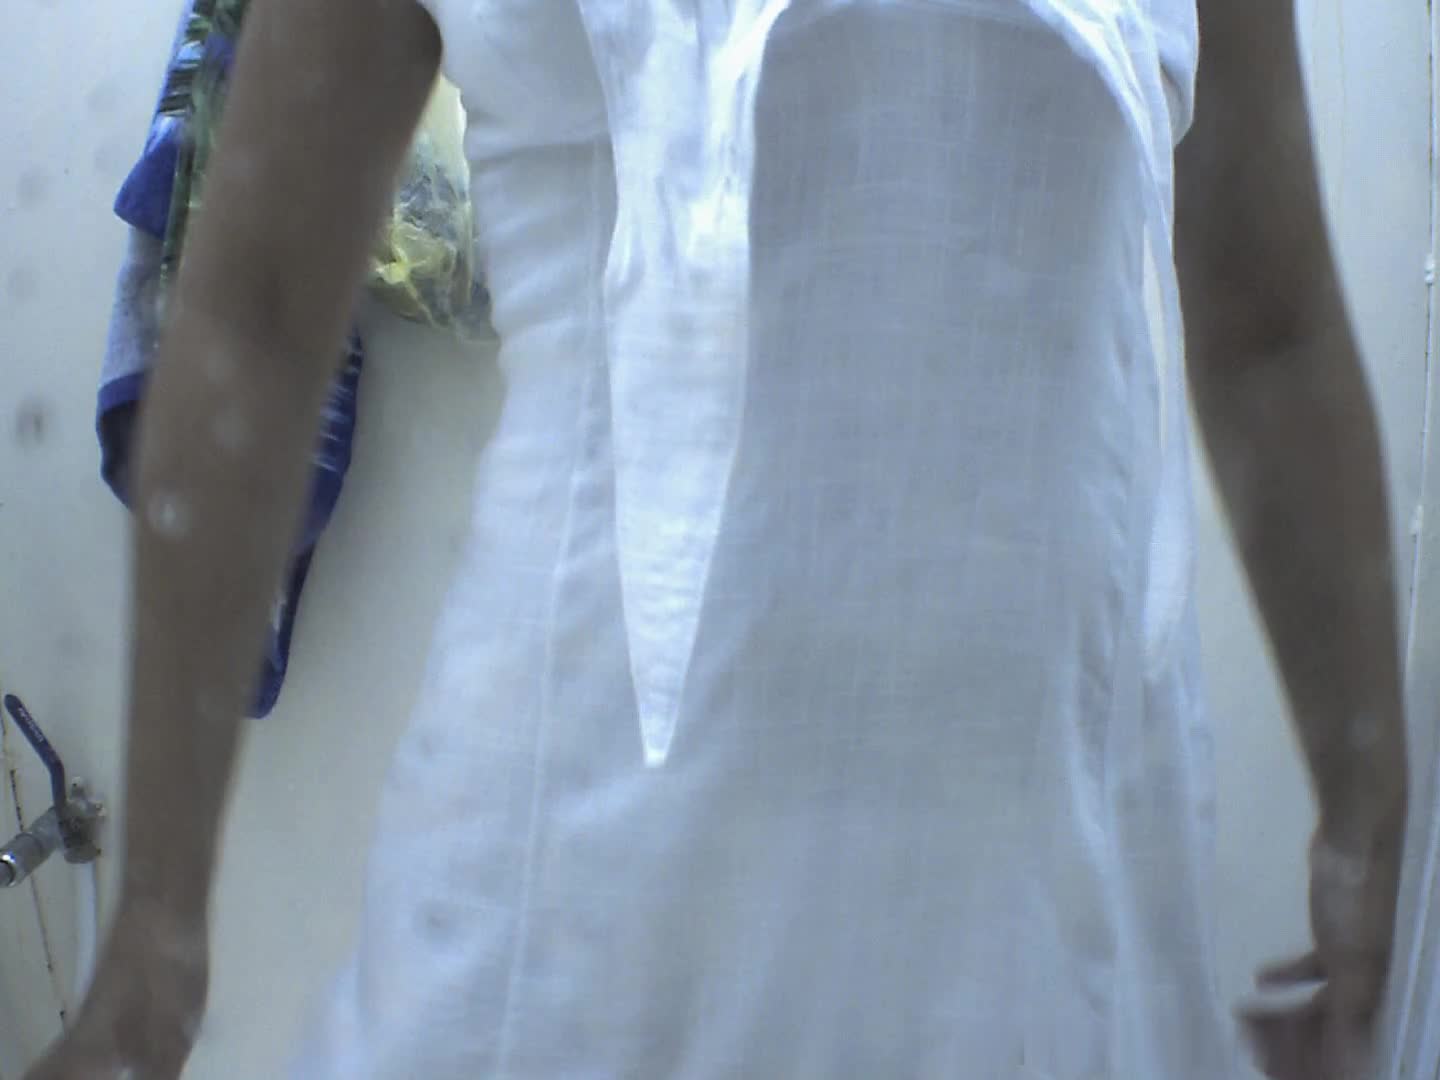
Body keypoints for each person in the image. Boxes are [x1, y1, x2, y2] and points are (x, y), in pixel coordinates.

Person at [27, 0, 1408, 1077]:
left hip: (1051, 911)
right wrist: (156, 929)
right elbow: (258, 311)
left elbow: (1270, 322)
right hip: (578, 916)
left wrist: (1366, 803)